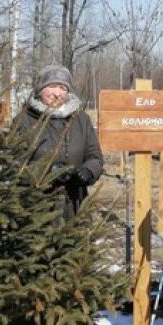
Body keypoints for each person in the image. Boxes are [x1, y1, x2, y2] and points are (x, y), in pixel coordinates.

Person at [16, 65, 103, 220]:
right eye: (52, 86)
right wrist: (47, 173)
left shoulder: (81, 119)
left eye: (62, 88)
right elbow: (15, 164)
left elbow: (95, 156)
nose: (57, 93)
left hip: (75, 203)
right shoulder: (24, 121)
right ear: (40, 89)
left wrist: (88, 171)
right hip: (37, 210)